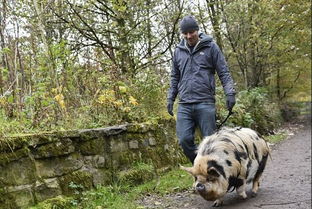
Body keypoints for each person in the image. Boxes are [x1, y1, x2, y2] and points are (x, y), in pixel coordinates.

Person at [167, 15, 236, 164]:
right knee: (184, 140)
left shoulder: (211, 47)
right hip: (184, 104)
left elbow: (223, 72)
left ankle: (219, 175)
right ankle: (201, 167)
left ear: (197, 30)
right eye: (185, 33)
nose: (189, 36)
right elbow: (174, 77)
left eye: (191, 32)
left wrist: (230, 93)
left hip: (205, 102)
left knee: (211, 144)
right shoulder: (178, 51)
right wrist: (170, 98)